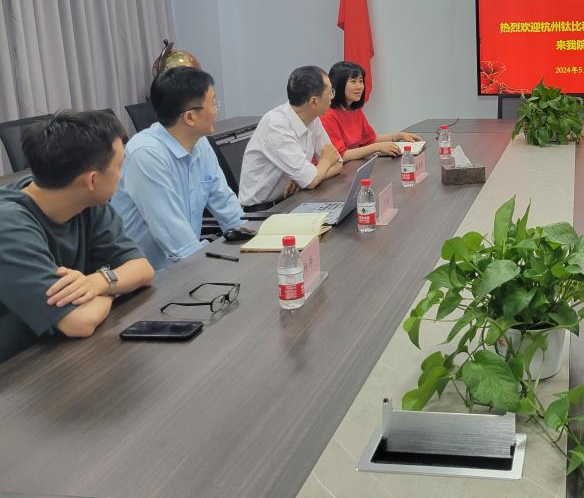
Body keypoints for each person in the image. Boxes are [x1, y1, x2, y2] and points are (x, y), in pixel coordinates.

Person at [0, 111, 154, 363]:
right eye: (119, 166)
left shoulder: (87, 200)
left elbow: (142, 269)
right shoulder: (8, 226)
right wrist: (113, 289)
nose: (121, 174)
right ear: (92, 179)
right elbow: (78, 322)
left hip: (55, 351)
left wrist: (97, 282)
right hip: (16, 369)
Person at [111, 67, 249, 270]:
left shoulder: (200, 143)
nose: (216, 109)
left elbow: (227, 206)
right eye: (213, 103)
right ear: (190, 117)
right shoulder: (146, 154)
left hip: (184, 265)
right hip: (146, 277)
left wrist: (253, 241)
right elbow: (178, 241)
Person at [238, 66, 343, 210]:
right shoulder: (276, 125)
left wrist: (309, 177)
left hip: (292, 200)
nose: (332, 96)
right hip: (262, 211)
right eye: (330, 92)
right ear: (314, 101)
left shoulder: (313, 118)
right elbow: (316, 175)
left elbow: (337, 163)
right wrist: (318, 168)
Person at [320, 60, 421, 162]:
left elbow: (371, 139)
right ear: (339, 84)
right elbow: (341, 155)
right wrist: (377, 147)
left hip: (354, 165)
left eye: (361, 81)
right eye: (353, 81)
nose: (359, 87)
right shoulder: (327, 115)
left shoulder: (355, 110)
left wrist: (398, 136)